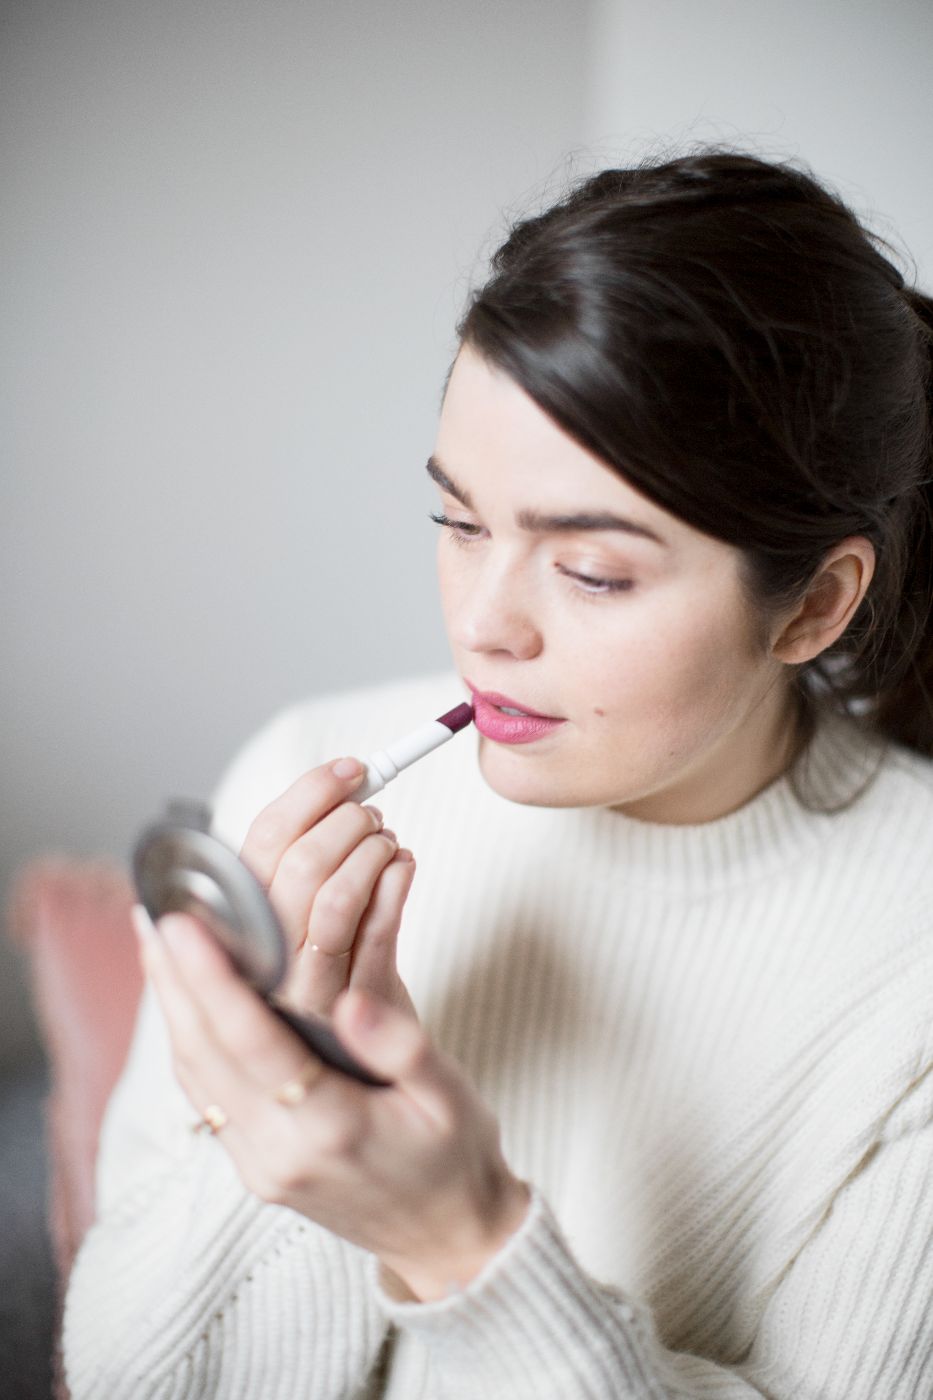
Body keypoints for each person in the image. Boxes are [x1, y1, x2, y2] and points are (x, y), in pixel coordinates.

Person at [63, 150, 933, 1398]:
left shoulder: (909, 975)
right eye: (459, 522)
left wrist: (456, 1237)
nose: (482, 624)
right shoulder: (300, 771)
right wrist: (280, 1131)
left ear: (814, 605)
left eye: (591, 571)